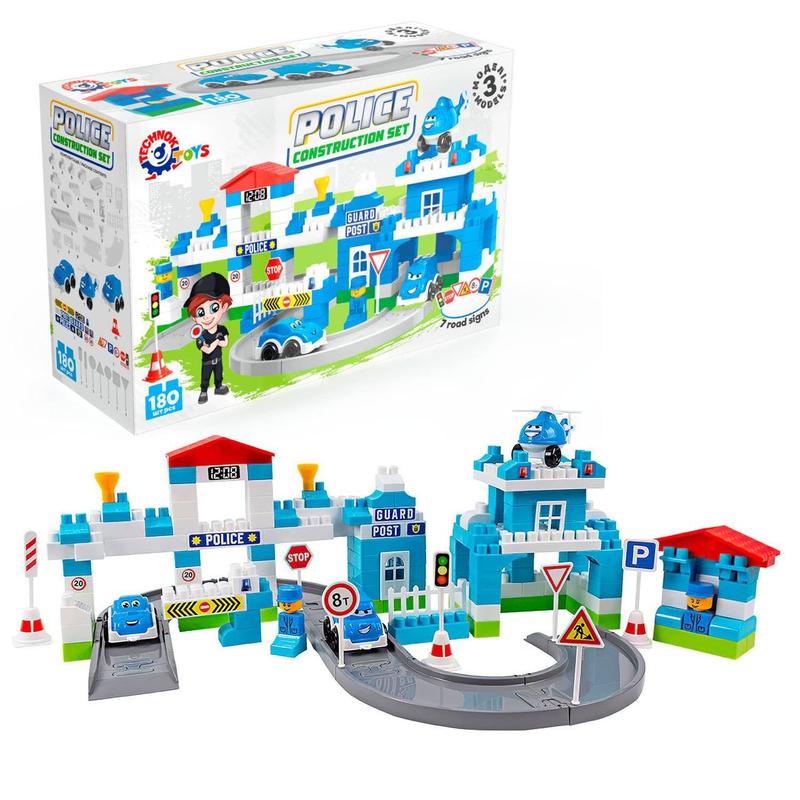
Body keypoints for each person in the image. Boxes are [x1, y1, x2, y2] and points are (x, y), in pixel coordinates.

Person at [184, 272, 232, 404]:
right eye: (200, 312)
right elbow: (208, 350)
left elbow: (225, 343)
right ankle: (203, 392)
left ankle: (218, 387)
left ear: (223, 306)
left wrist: (214, 343)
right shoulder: (201, 336)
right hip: (207, 363)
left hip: (218, 360)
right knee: (205, 378)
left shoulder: (222, 329)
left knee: (218, 375)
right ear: (194, 318)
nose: (206, 316)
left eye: (213, 308)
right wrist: (217, 341)